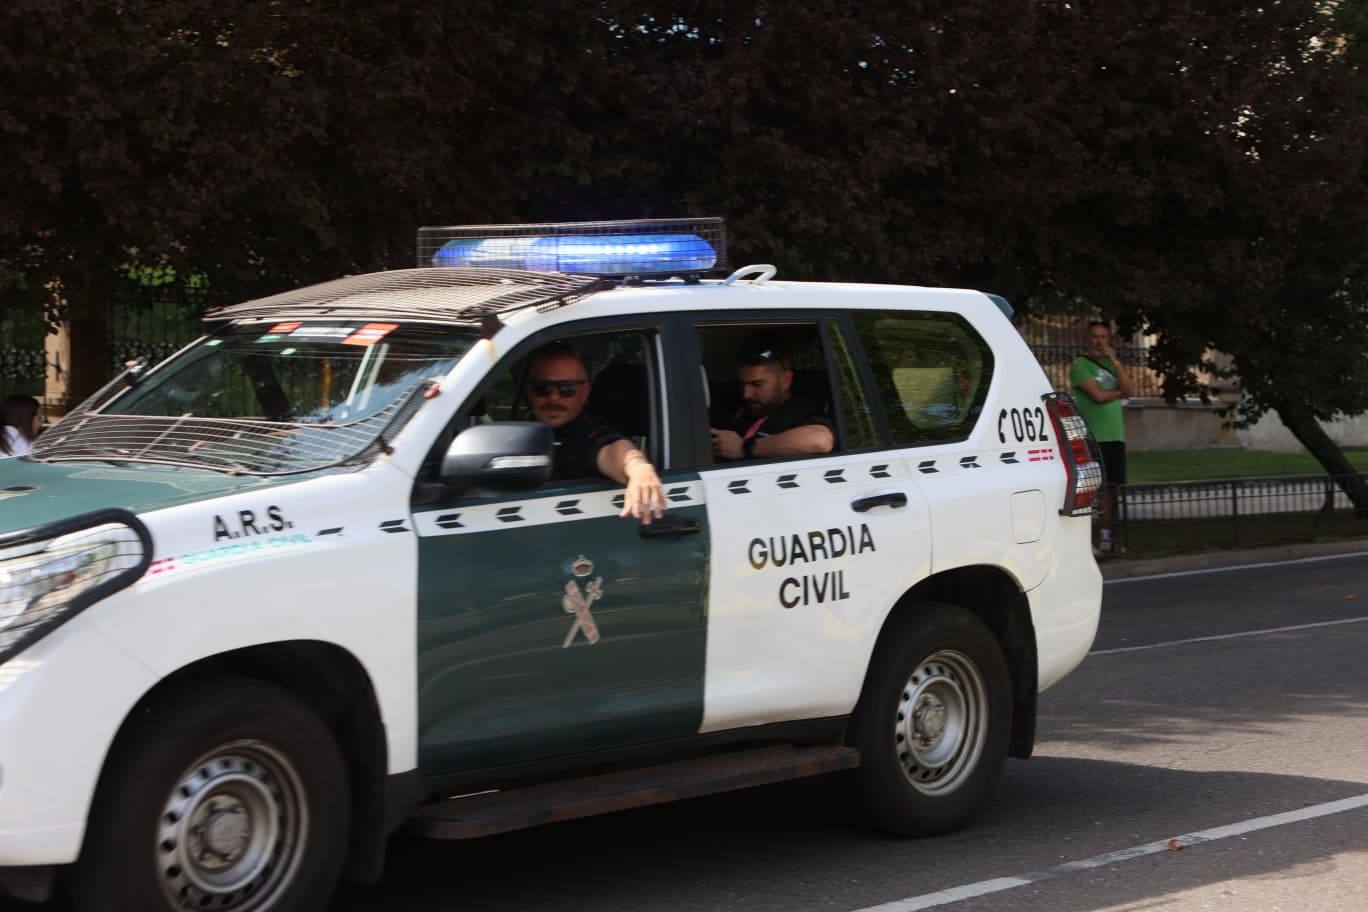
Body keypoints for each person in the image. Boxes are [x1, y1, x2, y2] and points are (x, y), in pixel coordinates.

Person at [524, 341, 665, 524]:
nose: (554, 397)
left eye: (567, 389)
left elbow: (612, 450)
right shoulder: (513, 433)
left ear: (585, 392)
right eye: (542, 388)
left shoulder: (589, 433)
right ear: (529, 390)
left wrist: (638, 467)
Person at [710, 334, 836, 460]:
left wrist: (745, 448)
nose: (746, 394)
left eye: (757, 384)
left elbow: (821, 440)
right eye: (742, 384)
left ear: (786, 380)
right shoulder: (740, 407)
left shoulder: (801, 413)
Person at [1069, 321, 1135, 553]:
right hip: (1095, 436)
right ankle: (1090, 540)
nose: (1099, 342)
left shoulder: (1110, 364)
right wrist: (1120, 392)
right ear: (1087, 339)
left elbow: (1131, 388)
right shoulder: (1080, 365)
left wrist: (1116, 362)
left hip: (1115, 436)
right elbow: (1097, 395)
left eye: (1104, 337)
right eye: (1095, 337)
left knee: (1113, 489)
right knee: (1096, 490)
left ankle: (1110, 537)